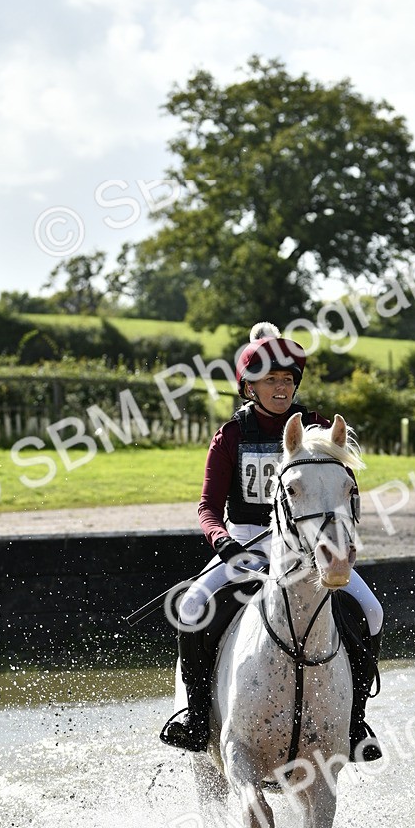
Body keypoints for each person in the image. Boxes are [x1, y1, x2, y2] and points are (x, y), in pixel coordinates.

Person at [160, 321, 383, 761]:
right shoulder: (231, 436)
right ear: (250, 386)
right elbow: (207, 506)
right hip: (244, 547)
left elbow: (342, 489)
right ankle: (197, 716)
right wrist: (222, 541)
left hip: (307, 548)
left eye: (287, 380)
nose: (280, 388)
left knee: (371, 611)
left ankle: (355, 723)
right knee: (189, 608)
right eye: (270, 380)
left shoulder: (316, 427)